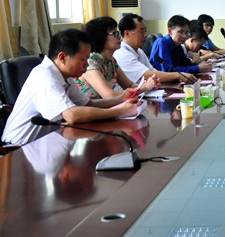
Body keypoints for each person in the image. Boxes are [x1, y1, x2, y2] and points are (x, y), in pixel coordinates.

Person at [1, 29, 141, 145]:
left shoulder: (65, 76)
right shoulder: (44, 76)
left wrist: (121, 99)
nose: (87, 65)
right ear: (62, 58)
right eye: (83, 59)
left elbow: (88, 104)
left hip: (44, 144)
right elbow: (72, 115)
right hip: (17, 149)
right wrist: (120, 112)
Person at [76, 17, 159, 99]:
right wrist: (144, 88)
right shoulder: (90, 62)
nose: (119, 37)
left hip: (105, 108)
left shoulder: (111, 60)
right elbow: (109, 96)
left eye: (118, 33)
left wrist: (147, 85)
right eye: (114, 34)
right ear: (100, 37)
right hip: (87, 110)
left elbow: (129, 85)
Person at [113, 13, 197, 84]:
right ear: (127, 33)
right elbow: (146, 75)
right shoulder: (123, 53)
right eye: (141, 31)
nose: (145, 35)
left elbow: (153, 72)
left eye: (145, 31)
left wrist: (170, 86)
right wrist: (178, 75)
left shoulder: (139, 51)